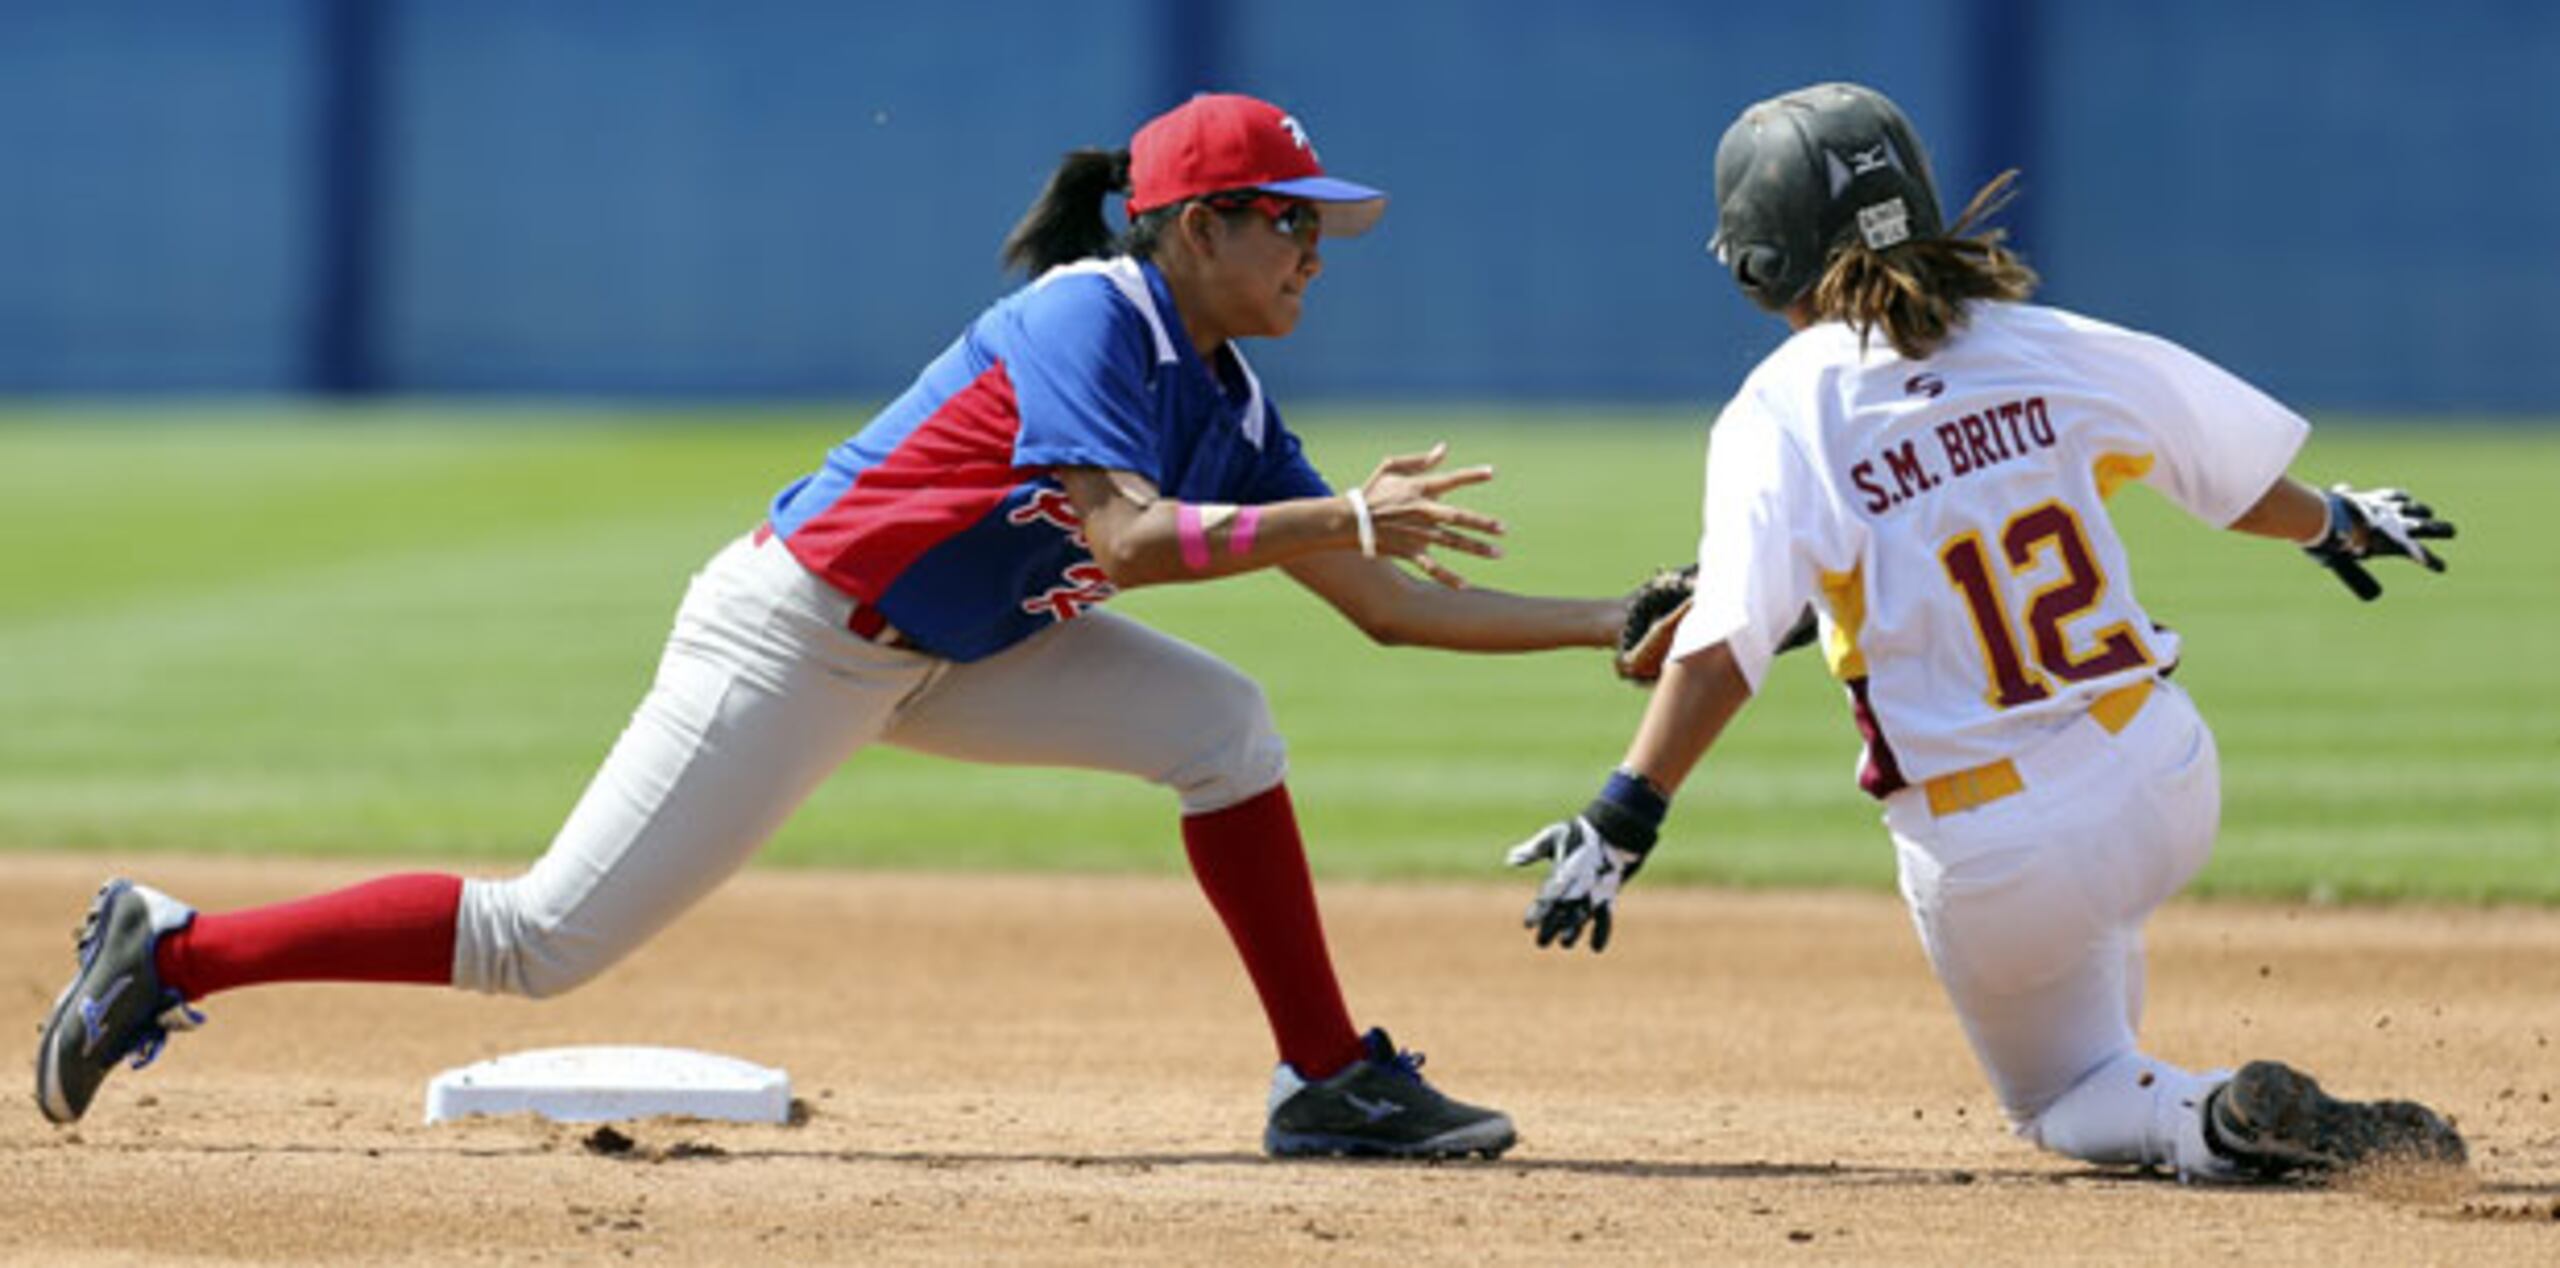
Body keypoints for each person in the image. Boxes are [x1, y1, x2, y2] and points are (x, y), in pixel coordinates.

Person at [37, 92, 1635, 1160]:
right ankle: (172, 950)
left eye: (1311, 223)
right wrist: (1338, 511)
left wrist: (1610, 618)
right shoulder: (1090, 311)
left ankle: (1324, 1080)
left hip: (963, 650)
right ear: (1192, 227)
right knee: (540, 946)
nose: (1308, 248)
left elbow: (1378, 608)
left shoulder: (1225, 394)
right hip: (798, 635)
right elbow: (1129, 539)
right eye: (1282, 218)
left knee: (1225, 731)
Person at [1504, 82, 2467, 1181]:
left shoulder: (1779, 409)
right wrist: (2340, 520)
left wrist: (1622, 815)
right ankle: (2153, 1068)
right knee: (2090, 926)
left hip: (1994, 846)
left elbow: (1720, 649)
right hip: (2165, 773)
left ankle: (2202, 1118)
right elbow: (2230, 477)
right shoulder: (2044, 340)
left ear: (1756, 261)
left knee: (2064, 1096)